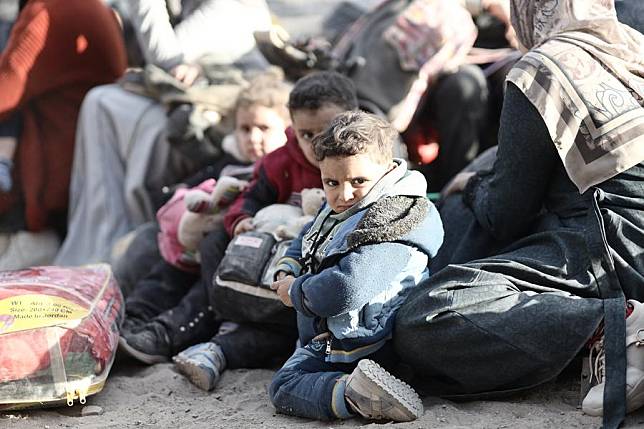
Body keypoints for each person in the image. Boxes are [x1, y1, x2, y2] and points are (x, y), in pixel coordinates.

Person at [393, 1, 644, 428]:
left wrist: (470, 185)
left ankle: (619, 323)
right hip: (623, 237)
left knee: (427, 315)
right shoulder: (633, 47)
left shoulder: (542, 70)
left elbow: (506, 213)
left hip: (609, 247)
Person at [120, 72, 359, 374]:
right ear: (293, 129)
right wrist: (241, 221)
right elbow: (250, 198)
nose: (315, 145)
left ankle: (173, 334)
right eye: (306, 135)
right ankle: (140, 322)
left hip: (306, 279)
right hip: (262, 257)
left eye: (325, 132)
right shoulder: (281, 162)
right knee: (210, 244)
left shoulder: (359, 161)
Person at [54, 0, 273, 266]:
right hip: (199, 103)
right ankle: (103, 237)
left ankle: (121, 237)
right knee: (101, 102)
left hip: (229, 115)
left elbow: (165, 58)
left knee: (131, 117)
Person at [264, 111, 443, 422]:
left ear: (388, 169)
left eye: (358, 181)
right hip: (334, 335)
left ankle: (355, 392)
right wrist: (288, 267)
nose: (343, 194)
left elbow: (348, 286)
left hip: (365, 342)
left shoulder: (394, 219)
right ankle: (359, 388)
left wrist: (297, 291)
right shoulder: (341, 206)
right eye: (331, 182)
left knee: (284, 385)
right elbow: (309, 236)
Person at [111, 71, 292, 297]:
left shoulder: (284, 172)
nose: (253, 138)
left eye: (263, 128)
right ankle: (116, 302)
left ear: (288, 128)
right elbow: (190, 187)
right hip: (184, 243)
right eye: (245, 129)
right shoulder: (229, 161)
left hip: (227, 251)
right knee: (146, 241)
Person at [0, 0, 126, 268]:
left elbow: (4, 95)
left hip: (39, 205)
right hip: (77, 188)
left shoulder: (48, 12)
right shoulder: (92, 6)